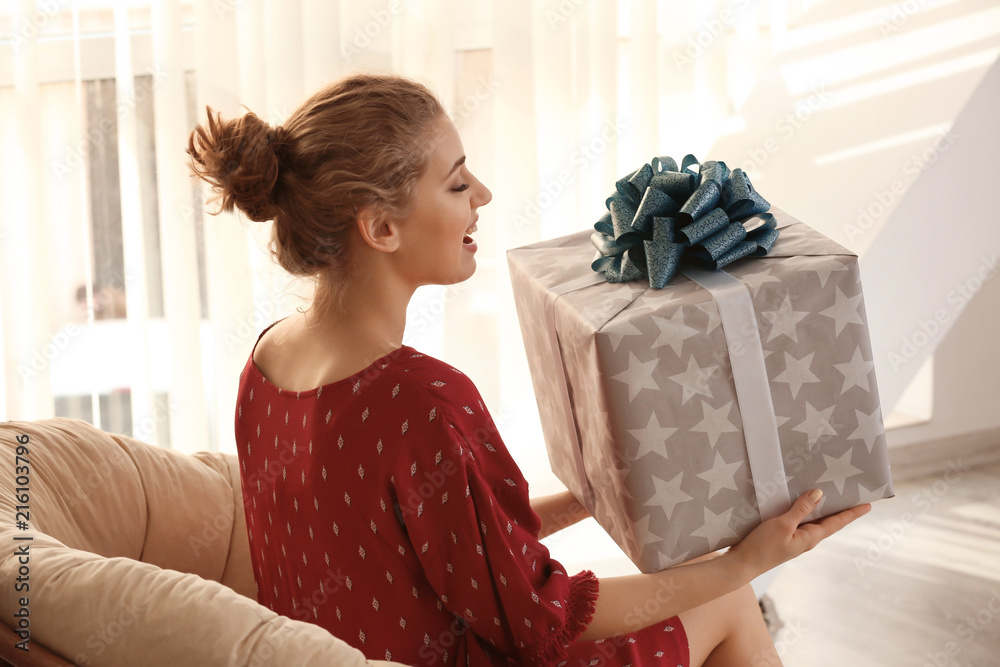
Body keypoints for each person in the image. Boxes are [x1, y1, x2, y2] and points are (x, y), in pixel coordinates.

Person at [187, 72, 871, 666]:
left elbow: (441, 550)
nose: (481, 194)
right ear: (381, 228)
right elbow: (542, 619)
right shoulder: (421, 397)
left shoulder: (265, 362)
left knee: (712, 582)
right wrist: (745, 563)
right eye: (457, 182)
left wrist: (587, 497)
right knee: (730, 597)